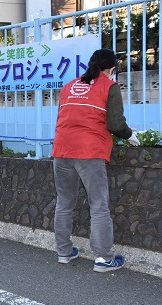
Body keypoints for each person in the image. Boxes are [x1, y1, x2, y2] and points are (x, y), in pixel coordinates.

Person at [52, 48, 140, 273]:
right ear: (111, 69)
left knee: (64, 203)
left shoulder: (69, 86)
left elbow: (64, 116)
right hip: (89, 152)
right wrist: (130, 135)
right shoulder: (109, 87)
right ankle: (103, 258)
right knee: (99, 205)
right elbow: (115, 123)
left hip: (62, 149)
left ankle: (64, 252)